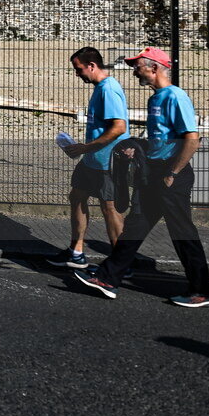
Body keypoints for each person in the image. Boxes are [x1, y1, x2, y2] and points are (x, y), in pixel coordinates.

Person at [74, 47, 209, 307]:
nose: (134, 69)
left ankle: (201, 291)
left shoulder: (175, 96)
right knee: (135, 228)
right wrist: (138, 147)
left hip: (172, 174)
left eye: (137, 65)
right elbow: (161, 139)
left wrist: (173, 173)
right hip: (155, 172)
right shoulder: (155, 99)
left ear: (154, 68)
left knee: (182, 233)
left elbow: (191, 139)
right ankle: (108, 278)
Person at [47, 47, 129, 270]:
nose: (77, 73)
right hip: (92, 159)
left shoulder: (109, 89)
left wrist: (85, 148)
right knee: (77, 196)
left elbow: (119, 127)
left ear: (92, 66)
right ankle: (76, 252)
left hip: (107, 161)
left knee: (110, 209)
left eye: (79, 69)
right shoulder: (100, 88)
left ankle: (121, 263)